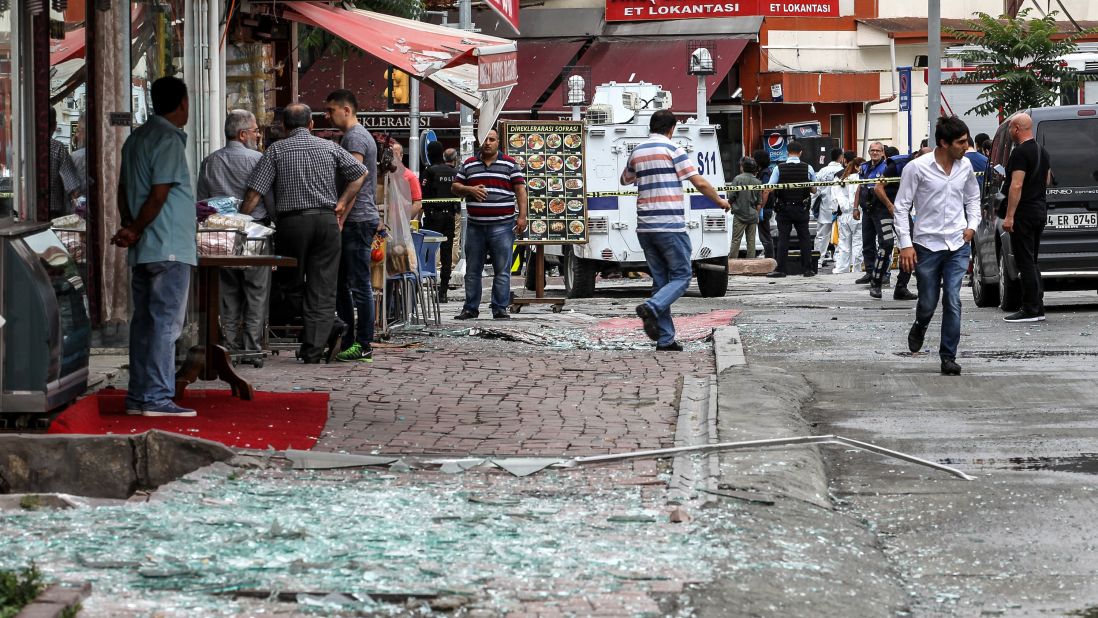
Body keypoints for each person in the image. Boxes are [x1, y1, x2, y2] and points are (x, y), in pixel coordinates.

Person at [241, 103, 367, 364]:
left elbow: (255, 193)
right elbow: (360, 173)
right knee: (323, 287)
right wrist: (342, 202)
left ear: (284, 127)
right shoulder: (330, 147)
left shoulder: (275, 150)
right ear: (311, 124)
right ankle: (315, 345)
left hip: (292, 225)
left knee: (288, 285)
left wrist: (239, 220)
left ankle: (327, 328)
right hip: (325, 222)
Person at [111, 76, 198, 417]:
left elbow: (122, 190)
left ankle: (138, 396)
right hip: (168, 245)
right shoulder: (167, 139)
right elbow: (159, 195)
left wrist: (130, 227)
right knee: (165, 323)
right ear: (183, 103)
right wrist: (134, 228)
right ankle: (157, 398)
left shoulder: (136, 139)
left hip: (146, 244)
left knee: (145, 323)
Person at [623, 109, 731, 351]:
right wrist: (720, 201)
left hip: (645, 227)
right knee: (682, 277)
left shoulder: (637, 151)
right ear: (671, 129)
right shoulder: (673, 150)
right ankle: (651, 307)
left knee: (661, 280)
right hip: (670, 224)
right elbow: (699, 181)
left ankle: (665, 339)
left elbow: (625, 179)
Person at [895, 116, 980, 376]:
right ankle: (920, 325)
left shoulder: (965, 167)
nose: (966, 147)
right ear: (943, 143)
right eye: (961, 142)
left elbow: (973, 197)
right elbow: (901, 207)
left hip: (957, 244)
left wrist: (972, 226)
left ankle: (948, 357)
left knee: (953, 300)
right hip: (926, 246)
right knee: (928, 303)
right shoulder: (917, 168)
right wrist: (906, 245)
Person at [196, 109, 273, 355]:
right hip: (254, 232)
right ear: (242, 134)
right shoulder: (257, 160)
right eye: (255, 131)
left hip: (221, 234)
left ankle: (228, 343)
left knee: (228, 291)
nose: (258, 135)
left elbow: (202, 202)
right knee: (256, 290)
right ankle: (252, 345)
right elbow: (269, 199)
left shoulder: (210, 161)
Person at [323, 89, 380, 363]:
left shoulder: (355, 136)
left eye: (331, 110)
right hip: (357, 218)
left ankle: (364, 343)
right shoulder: (354, 136)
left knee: (359, 284)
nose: (327, 115)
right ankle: (348, 339)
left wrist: (341, 207)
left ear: (346, 110)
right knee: (343, 283)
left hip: (357, 220)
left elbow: (356, 175)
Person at [451, 129, 528, 320]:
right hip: (476, 226)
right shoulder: (469, 164)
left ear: (498, 142)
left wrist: (522, 217)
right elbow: (455, 187)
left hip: (502, 225)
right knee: (472, 270)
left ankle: (499, 308)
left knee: (502, 270)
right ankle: (470, 308)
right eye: (485, 139)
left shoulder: (509, 164)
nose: (488, 143)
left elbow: (520, 191)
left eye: (492, 140)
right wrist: (469, 189)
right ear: (480, 141)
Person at [1001, 112, 1051, 323]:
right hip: (1039, 210)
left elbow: (1016, 184)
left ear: (1017, 129)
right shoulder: (1043, 151)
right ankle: (1037, 306)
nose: (1011, 132)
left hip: (1024, 213)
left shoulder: (1020, 153)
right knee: (1032, 260)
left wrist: (1010, 216)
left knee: (1025, 261)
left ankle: (1030, 308)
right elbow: (1047, 180)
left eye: (1012, 128)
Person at [762, 141, 817, 278]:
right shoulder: (808, 168)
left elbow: (769, 188)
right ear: (800, 153)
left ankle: (781, 269)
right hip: (801, 208)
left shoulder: (778, 168)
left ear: (787, 152)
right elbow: (814, 189)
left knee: (783, 239)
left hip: (784, 208)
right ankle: (807, 269)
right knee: (804, 238)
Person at [871, 147, 918, 300]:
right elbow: (878, 187)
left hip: (903, 211)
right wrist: (890, 206)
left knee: (910, 245)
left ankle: (901, 287)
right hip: (884, 208)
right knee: (886, 243)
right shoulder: (897, 165)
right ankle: (876, 282)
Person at [420, 141, 459, 301]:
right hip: (449, 215)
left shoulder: (429, 171)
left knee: (428, 251)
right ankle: (443, 290)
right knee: (446, 252)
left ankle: (427, 282)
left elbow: (424, 194)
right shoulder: (453, 172)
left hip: (433, 216)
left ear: (429, 154)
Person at [854, 141, 889, 285]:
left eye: (877, 151)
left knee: (884, 243)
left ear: (882, 153)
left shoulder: (887, 167)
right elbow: (859, 188)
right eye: (872, 150)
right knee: (867, 243)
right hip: (867, 210)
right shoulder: (863, 167)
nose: (874, 153)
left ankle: (884, 273)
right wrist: (855, 207)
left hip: (881, 210)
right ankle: (869, 271)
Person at [831, 157, 865, 274]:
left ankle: (842, 268)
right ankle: (857, 269)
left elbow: (835, 198)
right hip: (858, 214)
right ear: (857, 167)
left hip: (844, 216)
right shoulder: (861, 179)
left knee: (844, 244)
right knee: (858, 244)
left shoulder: (841, 179)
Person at [814, 148, 846, 268]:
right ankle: (839, 260)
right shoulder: (843, 171)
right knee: (841, 234)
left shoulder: (822, 171)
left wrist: (813, 207)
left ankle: (817, 260)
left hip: (825, 207)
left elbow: (816, 190)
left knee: (822, 235)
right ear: (841, 157)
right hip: (840, 208)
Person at [48, 107, 80, 219]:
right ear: (54, 125)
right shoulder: (58, 148)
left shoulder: (24, 147)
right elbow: (72, 186)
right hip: (53, 212)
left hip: (26, 211)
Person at [729, 156, 762, 258]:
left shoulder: (737, 179)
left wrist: (730, 204)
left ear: (742, 167)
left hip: (739, 214)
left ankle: (732, 263)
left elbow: (731, 196)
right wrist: (757, 215)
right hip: (752, 215)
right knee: (751, 241)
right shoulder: (757, 182)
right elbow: (759, 202)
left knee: (736, 240)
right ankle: (751, 263)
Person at [389, 141, 423, 221]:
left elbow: (417, 203)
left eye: (395, 153)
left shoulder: (410, 176)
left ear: (401, 156)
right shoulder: (384, 175)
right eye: (391, 153)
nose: (393, 156)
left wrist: (404, 221)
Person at [752, 149, 776, 259]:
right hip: (765, 207)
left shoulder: (765, 173)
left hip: (765, 208)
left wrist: (760, 207)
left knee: (765, 235)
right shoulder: (764, 172)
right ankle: (769, 256)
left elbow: (766, 191)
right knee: (764, 234)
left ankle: (769, 258)